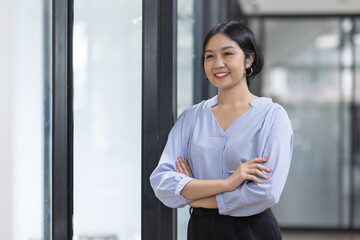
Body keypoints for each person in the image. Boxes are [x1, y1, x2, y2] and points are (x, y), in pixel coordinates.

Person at [150, 20, 293, 240]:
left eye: (227, 54)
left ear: (249, 59)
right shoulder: (191, 118)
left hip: (253, 230)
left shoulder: (272, 117)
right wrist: (228, 183)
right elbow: (163, 182)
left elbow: (265, 192)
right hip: (201, 230)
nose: (217, 63)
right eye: (209, 56)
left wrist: (193, 194)